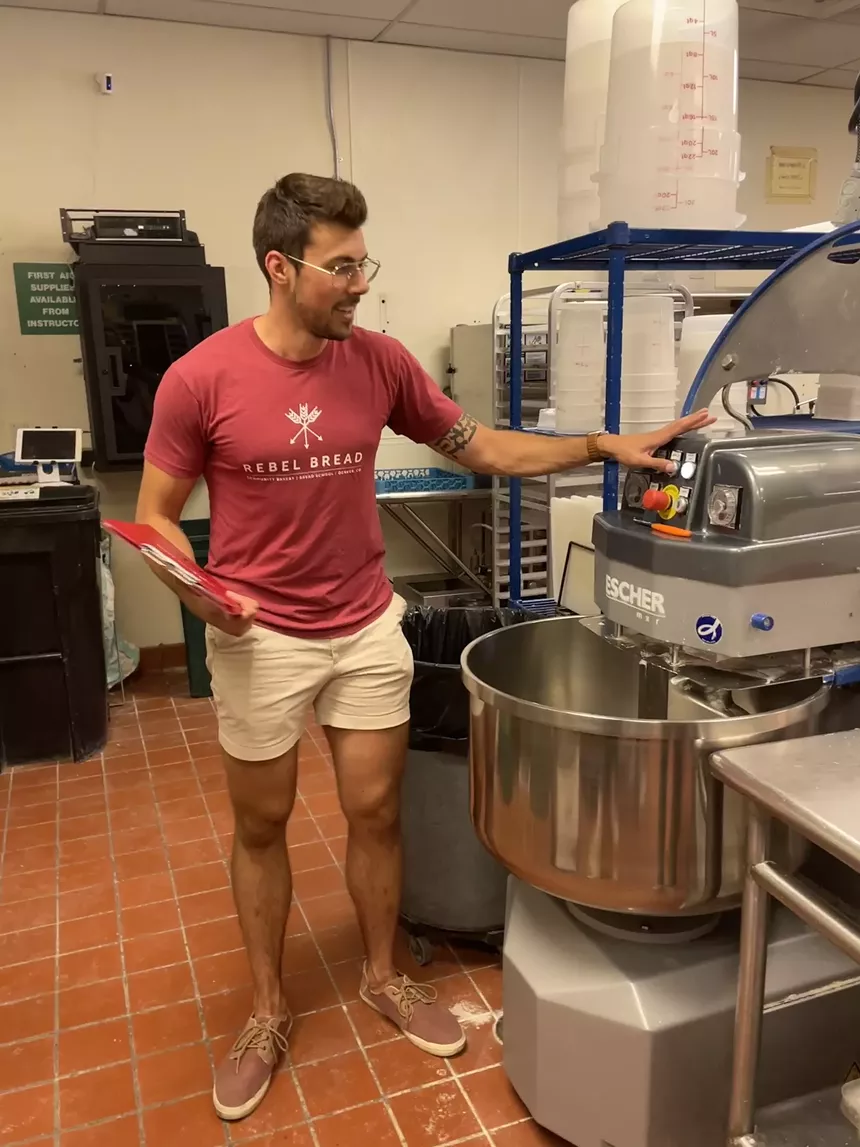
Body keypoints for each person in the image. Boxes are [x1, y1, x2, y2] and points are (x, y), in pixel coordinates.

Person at [136, 172, 713, 1122]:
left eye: (366, 261)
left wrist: (601, 446)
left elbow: (480, 446)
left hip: (365, 623)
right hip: (262, 637)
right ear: (279, 267)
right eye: (342, 265)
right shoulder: (199, 378)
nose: (361, 282)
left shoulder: (380, 362)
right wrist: (198, 598)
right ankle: (268, 1010)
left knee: (375, 811)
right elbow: (156, 521)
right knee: (260, 825)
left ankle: (382, 975)